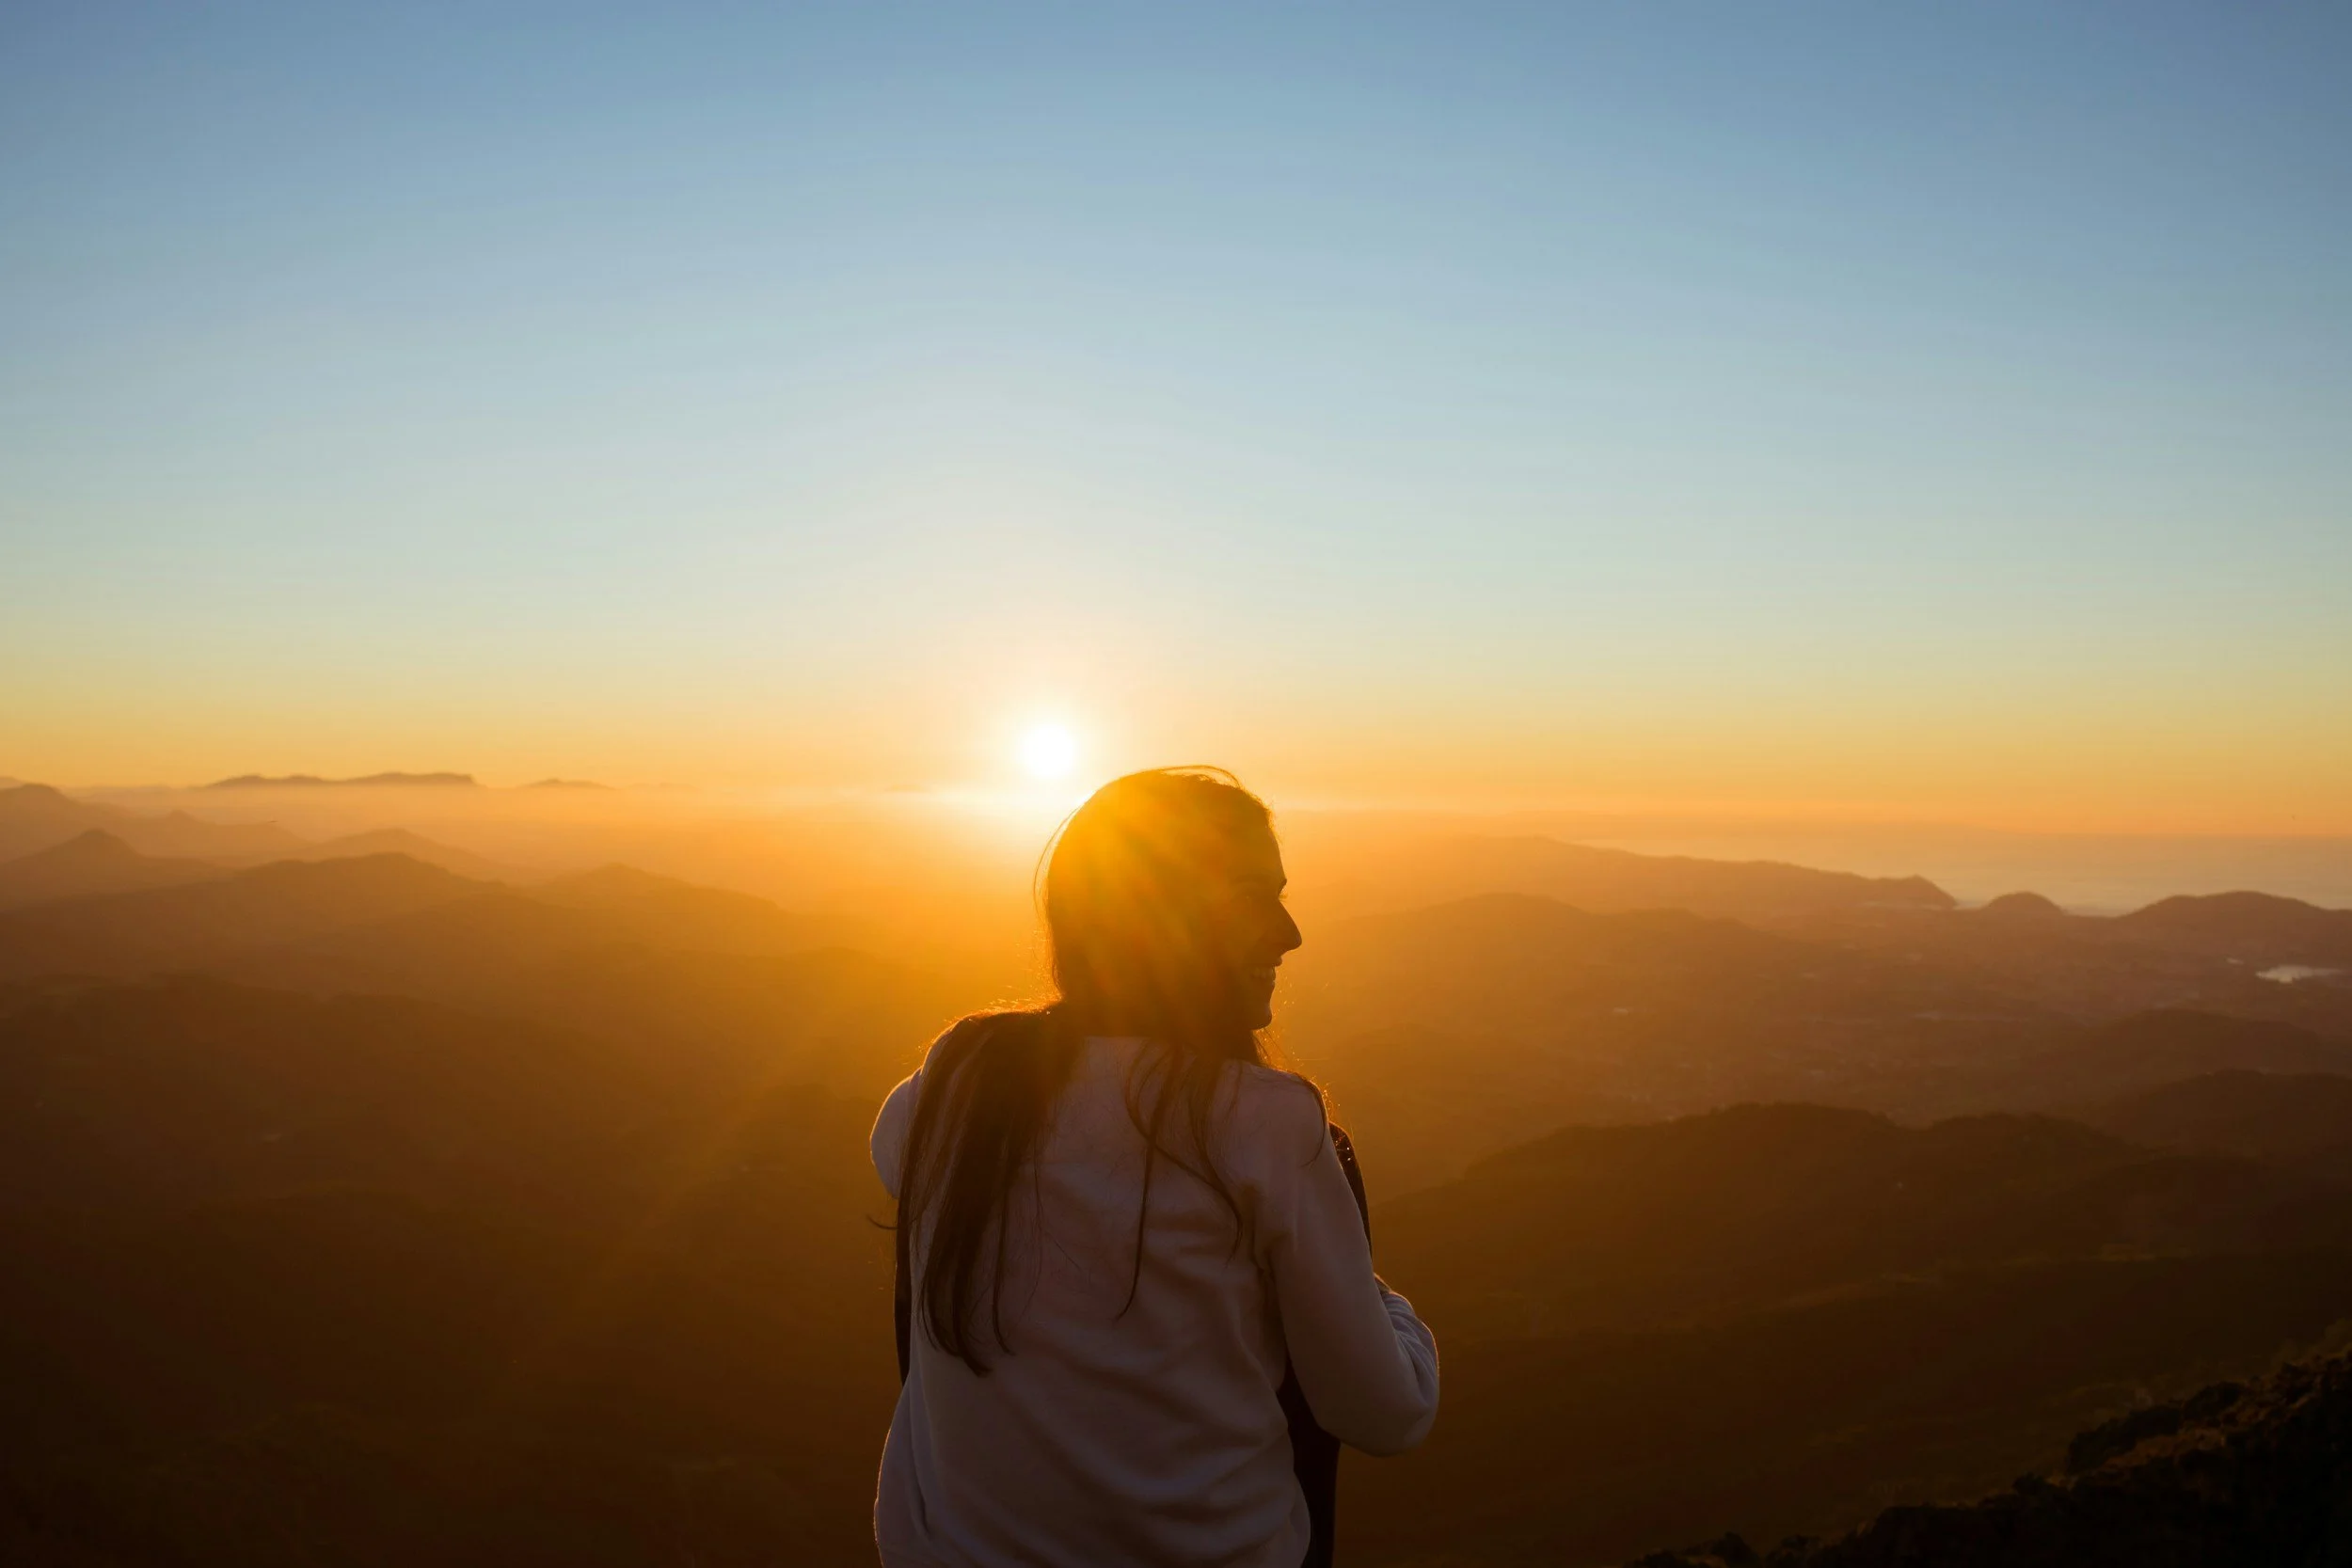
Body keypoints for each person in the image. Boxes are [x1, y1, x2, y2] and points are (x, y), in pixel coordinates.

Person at [869, 767, 1439, 1568]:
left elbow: (891, 1152)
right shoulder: (1266, 1123)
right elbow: (1388, 1414)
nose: (1289, 931)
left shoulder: (960, 1082)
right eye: (1251, 895)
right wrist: (1372, 1294)